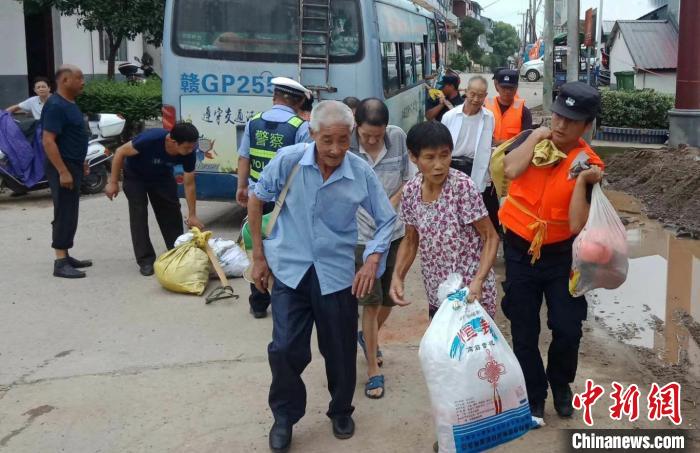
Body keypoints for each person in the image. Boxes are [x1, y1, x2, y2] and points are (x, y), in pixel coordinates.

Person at [248, 100, 397, 452]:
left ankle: (341, 409)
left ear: (353, 137)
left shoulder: (359, 171)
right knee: (284, 348)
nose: (335, 149)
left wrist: (372, 260)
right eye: (327, 140)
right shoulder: (289, 160)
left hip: (336, 273)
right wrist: (258, 256)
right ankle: (284, 416)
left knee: (341, 350)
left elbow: (386, 218)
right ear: (313, 133)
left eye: (343, 140)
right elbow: (256, 200)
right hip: (290, 268)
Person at [499, 82, 604, 421]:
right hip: (519, 249)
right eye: (558, 116)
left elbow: (576, 225)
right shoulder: (532, 139)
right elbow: (511, 170)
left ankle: (560, 384)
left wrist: (585, 181)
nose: (561, 125)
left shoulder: (589, 162)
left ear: (587, 125)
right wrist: (534, 137)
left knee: (568, 327)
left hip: (561, 256)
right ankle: (534, 392)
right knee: (524, 327)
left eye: (571, 121)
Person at [390, 121, 499, 320]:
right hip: (437, 293)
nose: (439, 165)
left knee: (473, 350)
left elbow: (490, 237)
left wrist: (479, 280)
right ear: (414, 157)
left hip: (471, 295)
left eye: (445, 155)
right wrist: (398, 275)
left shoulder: (462, 187)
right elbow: (410, 239)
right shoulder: (411, 191)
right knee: (441, 349)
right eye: (429, 157)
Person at [349, 98, 411, 400]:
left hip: (394, 232)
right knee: (371, 304)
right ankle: (373, 369)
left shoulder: (398, 137)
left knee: (389, 298)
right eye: (366, 135)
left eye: (377, 134)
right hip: (361, 238)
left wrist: (390, 205)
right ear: (356, 126)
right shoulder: (345, 145)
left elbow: (408, 179)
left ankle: (367, 337)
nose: (372, 140)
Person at [237, 76, 311, 319]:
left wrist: (241, 187)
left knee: (256, 246)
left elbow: (244, 157)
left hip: (255, 197)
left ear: (274, 97)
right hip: (284, 201)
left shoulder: (253, 122)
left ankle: (258, 302)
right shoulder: (300, 127)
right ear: (299, 101)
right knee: (282, 246)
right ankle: (284, 299)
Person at [104, 123, 204, 276]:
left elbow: (189, 184)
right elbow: (119, 152)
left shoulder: (189, 152)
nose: (190, 151)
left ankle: (176, 251)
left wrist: (192, 215)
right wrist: (113, 182)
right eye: (186, 148)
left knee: (171, 212)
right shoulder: (150, 139)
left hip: (162, 177)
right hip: (135, 176)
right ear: (172, 141)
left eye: (192, 147)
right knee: (139, 215)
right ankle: (145, 260)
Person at [41, 65, 91, 279]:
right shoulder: (55, 105)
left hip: (74, 164)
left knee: (71, 211)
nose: (83, 82)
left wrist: (82, 162)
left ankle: (66, 253)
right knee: (64, 211)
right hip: (62, 166)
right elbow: (48, 141)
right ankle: (60, 261)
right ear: (65, 80)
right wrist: (63, 171)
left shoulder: (70, 103)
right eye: (79, 78)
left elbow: (74, 136)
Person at [440, 75, 500, 232]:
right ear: (465, 92)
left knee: (475, 212)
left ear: (485, 96)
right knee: (453, 212)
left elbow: (487, 146)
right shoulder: (449, 116)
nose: (475, 99)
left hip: (475, 168)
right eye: (472, 94)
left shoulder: (489, 117)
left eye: (480, 95)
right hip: (453, 168)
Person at [485, 69, 533, 146]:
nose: (507, 91)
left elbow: (526, 140)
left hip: (512, 154)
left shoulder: (524, 112)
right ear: (497, 86)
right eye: (504, 87)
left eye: (511, 88)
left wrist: (502, 144)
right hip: (488, 152)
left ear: (516, 87)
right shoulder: (485, 108)